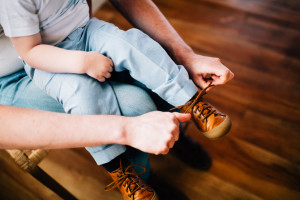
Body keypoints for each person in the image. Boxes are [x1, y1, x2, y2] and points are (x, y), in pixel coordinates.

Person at [0, 0, 234, 199]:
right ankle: (128, 173)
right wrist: (83, 62)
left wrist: (183, 53)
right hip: (40, 62)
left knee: (137, 48)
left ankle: (189, 107)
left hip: (84, 31)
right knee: (127, 103)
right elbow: (31, 52)